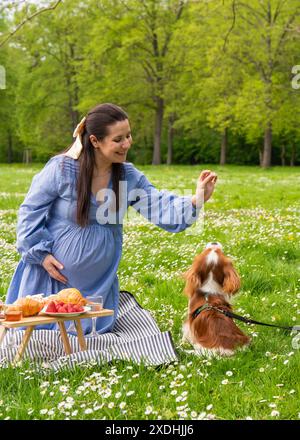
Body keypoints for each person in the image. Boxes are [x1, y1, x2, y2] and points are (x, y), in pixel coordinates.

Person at [4, 103, 217, 367]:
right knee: (40, 334)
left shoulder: (127, 176)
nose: (126, 143)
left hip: (99, 285)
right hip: (50, 278)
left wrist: (196, 200)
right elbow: (30, 211)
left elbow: (159, 205)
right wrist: (41, 254)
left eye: (128, 135)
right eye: (118, 139)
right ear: (95, 140)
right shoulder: (62, 169)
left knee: (95, 336)